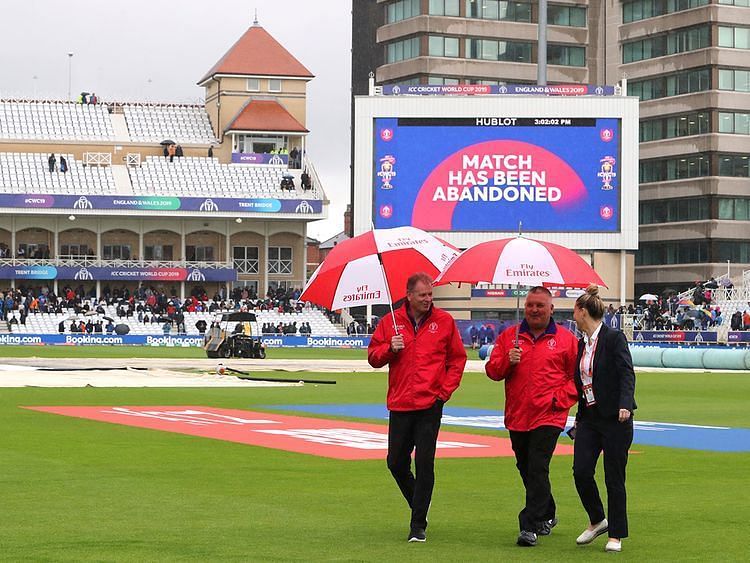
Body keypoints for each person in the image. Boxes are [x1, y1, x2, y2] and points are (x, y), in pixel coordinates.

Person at [367, 272, 466, 543]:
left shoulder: (444, 322)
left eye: (430, 294)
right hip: (400, 403)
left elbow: (457, 359)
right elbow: (373, 358)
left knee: (425, 463)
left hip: (429, 404)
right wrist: (390, 348)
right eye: (422, 295)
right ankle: (420, 502)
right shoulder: (390, 322)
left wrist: (443, 393)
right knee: (396, 462)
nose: (427, 299)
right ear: (409, 295)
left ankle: (417, 525)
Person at [485, 286, 578, 547]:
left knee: (537, 466)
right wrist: (508, 361)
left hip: (548, 415)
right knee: (526, 467)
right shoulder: (508, 338)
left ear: (552, 309)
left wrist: (558, 400)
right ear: (524, 307)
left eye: (540, 305)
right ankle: (547, 512)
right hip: (517, 414)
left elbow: (577, 378)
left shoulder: (565, 340)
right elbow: (492, 371)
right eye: (530, 305)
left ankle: (529, 526)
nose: (534, 310)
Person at [572, 285, 637, 553]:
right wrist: (578, 416)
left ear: (583, 311)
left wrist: (625, 404)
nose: (572, 316)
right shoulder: (581, 344)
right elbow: (583, 383)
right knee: (581, 471)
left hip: (615, 419)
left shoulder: (613, 338)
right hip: (589, 417)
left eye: (574, 311)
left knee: (614, 477)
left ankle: (616, 535)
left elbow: (626, 373)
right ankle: (598, 520)